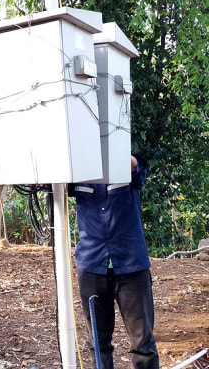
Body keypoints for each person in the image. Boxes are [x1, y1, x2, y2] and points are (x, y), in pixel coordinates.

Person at [68, 154, 159, 369]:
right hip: (92, 267)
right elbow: (47, 183)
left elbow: (134, 165)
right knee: (98, 344)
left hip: (131, 266)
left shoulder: (128, 169)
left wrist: (108, 141)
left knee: (142, 343)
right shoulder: (79, 173)